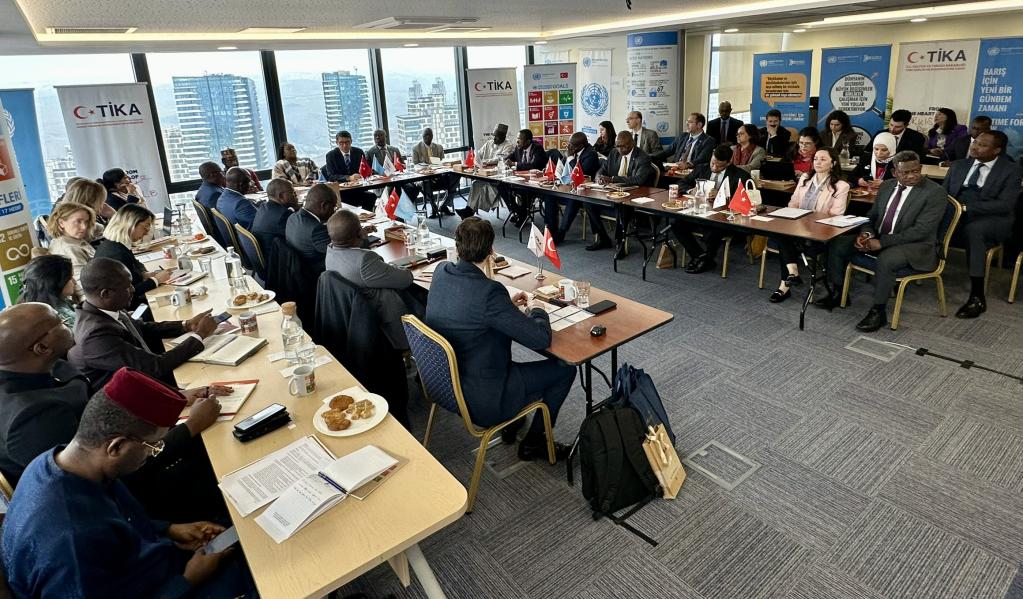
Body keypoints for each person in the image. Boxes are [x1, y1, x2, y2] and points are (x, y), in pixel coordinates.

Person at [1, 367, 257, 598]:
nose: (154, 452)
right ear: (117, 446)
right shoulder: (71, 545)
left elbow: (117, 519)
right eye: (153, 446)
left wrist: (167, 529)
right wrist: (189, 579)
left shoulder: (60, 462)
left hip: (149, 562)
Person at [425, 217, 575, 461]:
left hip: (446, 384)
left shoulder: (442, 271)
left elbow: (470, 310)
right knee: (565, 369)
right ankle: (535, 442)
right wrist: (537, 309)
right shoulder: (489, 292)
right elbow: (539, 339)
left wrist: (505, 306)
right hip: (483, 397)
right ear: (491, 250)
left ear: (458, 246)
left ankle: (513, 423)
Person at [817, 151, 946, 331]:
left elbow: (921, 231)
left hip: (915, 245)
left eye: (916, 171)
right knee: (837, 243)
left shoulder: (935, 192)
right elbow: (872, 216)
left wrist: (882, 242)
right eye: (905, 172)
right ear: (894, 173)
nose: (912, 176)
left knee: (887, 259)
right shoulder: (887, 186)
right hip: (879, 237)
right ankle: (838, 293)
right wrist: (867, 234)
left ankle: (878, 311)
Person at [68, 258, 218, 388]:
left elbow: (141, 328)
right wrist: (200, 335)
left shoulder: (103, 308)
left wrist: (186, 325)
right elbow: (154, 367)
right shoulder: (95, 335)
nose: (133, 289)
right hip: (137, 399)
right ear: (106, 293)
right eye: (127, 287)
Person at [0, 303, 83, 485]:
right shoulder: (31, 419)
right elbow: (82, 474)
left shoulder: (27, 365)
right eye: (62, 322)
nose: (68, 324)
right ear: (42, 348)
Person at [943, 130, 1023, 319]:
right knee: (925, 220)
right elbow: (943, 193)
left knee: (974, 231)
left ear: (996, 150)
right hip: (957, 211)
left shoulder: (1011, 170)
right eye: (975, 142)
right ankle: (907, 270)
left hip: (993, 217)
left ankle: (977, 296)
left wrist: (966, 208)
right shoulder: (959, 165)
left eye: (982, 145)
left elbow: (1005, 205)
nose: (975, 147)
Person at [325, 210, 419, 350]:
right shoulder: (364, 262)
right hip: (383, 321)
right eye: (360, 228)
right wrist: (390, 266)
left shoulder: (331, 251)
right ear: (358, 233)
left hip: (355, 321)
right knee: (423, 294)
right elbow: (406, 279)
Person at [770, 148, 849, 303]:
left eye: (823, 159)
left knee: (784, 240)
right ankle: (792, 273)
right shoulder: (806, 178)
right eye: (816, 159)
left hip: (819, 233)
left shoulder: (841, 186)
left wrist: (807, 220)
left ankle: (785, 285)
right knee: (777, 231)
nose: (818, 162)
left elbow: (836, 216)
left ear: (833, 163)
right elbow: (793, 202)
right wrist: (791, 215)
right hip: (796, 228)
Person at [669, 145, 751, 274]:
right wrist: (692, 190)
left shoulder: (740, 176)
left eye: (719, 166)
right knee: (675, 222)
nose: (714, 168)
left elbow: (743, 201)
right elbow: (682, 183)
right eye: (713, 163)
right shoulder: (702, 169)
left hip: (723, 218)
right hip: (699, 212)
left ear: (729, 162)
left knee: (712, 230)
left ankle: (706, 259)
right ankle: (701, 256)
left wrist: (722, 194)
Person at [585, 131, 654, 255]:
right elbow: (602, 170)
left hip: (634, 195)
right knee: (589, 202)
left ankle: (620, 242)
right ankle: (603, 237)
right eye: (618, 146)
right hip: (613, 192)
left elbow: (638, 180)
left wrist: (612, 179)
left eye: (624, 146)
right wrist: (599, 177)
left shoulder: (642, 157)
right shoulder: (614, 153)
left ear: (632, 143)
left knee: (621, 206)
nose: (620, 149)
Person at [93, 204, 172, 311]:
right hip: (133, 310)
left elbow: (135, 264)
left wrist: (144, 274)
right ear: (130, 224)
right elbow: (128, 294)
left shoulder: (114, 244)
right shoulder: (116, 254)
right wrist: (155, 280)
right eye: (145, 226)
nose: (147, 231)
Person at [542, 132, 602, 243]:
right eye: (569, 144)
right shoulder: (571, 150)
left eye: (571, 145)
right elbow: (563, 168)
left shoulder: (591, 154)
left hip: (584, 191)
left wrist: (570, 157)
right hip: (568, 186)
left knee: (572, 199)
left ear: (581, 146)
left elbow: (580, 174)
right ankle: (550, 230)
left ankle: (561, 232)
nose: (568, 147)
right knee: (549, 195)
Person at [458, 123, 515, 218]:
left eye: (497, 136)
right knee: (475, 183)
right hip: (485, 175)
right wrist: (477, 161)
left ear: (503, 136)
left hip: (498, 178)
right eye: (494, 136)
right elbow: (478, 154)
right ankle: (469, 210)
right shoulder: (489, 143)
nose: (494, 138)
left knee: (483, 186)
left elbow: (500, 159)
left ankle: (469, 211)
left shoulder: (508, 146)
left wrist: (485, 161)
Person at [46, 202, 96, 298]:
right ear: (61, 223)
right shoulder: (69, 248)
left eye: (86, 221)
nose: (84, 227)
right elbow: (83, 286)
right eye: (78, 221)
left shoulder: (72, 240)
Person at [285, 183, 338, 273]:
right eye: (333, 207)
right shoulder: (316, 230)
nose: (334, 211)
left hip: (298, 269)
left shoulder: (293, 217)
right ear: (324, 205)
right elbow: (341, 251)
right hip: (317, 275)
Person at [323, 130, 376, 211]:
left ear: (351, 141)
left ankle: (365, 216)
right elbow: (331, 176)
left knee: (371, 196)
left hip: (358, 189)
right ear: (337, 143)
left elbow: (365, 169)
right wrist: (349, 178)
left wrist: (367, 174)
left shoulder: (358, 152)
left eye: (347, 142)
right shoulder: (331, 156)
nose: (344, 145)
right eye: (341, 143)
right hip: (342, 193)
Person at [503, 129, 548, 225]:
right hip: (521, 180)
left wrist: (514, 163)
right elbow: (509, 158)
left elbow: (533, 165)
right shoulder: (518, 147)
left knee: (523, 191)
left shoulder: (537, 148)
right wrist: (506, 161)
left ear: (528, 141)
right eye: (517, 138)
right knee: (501, 186)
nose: (517, 141)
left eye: (520, 139)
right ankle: (518, 212)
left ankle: (522, 215)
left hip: (535, 183)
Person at [17, 255, 78, 326]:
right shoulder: (58, 320)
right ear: (55, 282)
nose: (75, 282)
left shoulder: (29, 307)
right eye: (70, 278)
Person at [412, 128, 460, 215]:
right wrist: (427, 167)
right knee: (426, 182)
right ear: (422, 136)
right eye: (425, 135)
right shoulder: (416, 148)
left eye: (429, 135)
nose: (427, 137)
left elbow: (442, 163)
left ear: (432, 136)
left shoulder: (439, 147)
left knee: (456, 177)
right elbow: (415, 165)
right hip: (425, 178)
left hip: (439, 176)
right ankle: (433, 207)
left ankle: (444, 206)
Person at [251, 177, 298, 252]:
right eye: (293, 192)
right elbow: (298, 238)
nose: (296, 195)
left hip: (264, 252)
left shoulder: (263, 206)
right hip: (278, 259)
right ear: (281, 196)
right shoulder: (284, 215)